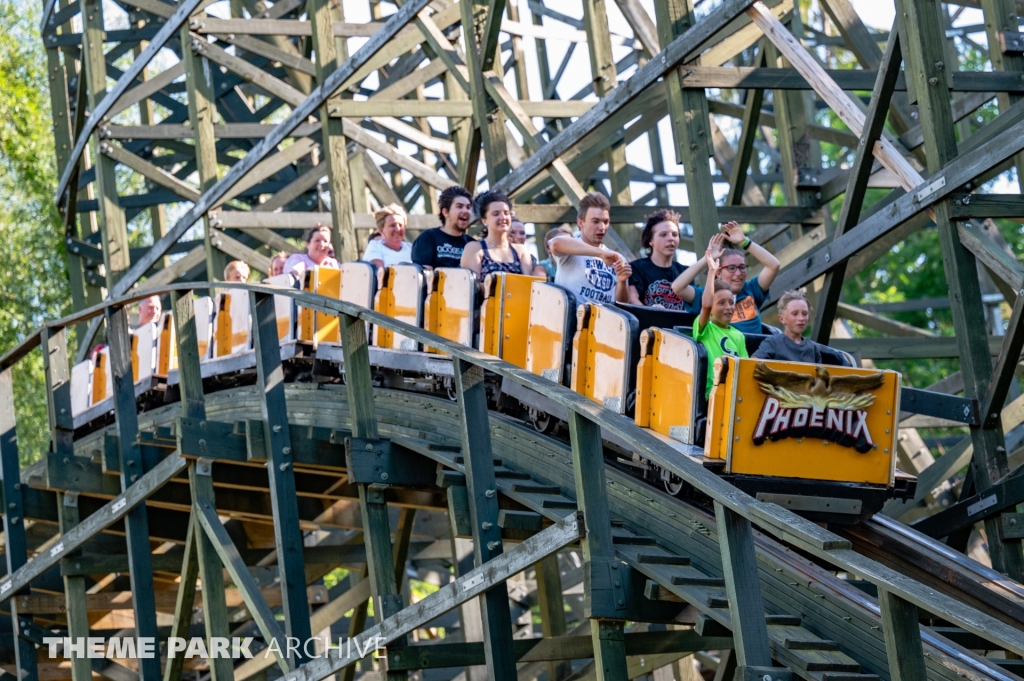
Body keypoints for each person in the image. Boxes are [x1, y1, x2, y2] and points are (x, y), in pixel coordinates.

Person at [671, 221, 780, 334]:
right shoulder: (707, 295)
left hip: (756, 350)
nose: (738, 273)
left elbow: (774, 265)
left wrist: (744, 242)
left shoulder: (751, 289)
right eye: (731, 268)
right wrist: (707, 259)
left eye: (742, 267)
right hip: (724, 350)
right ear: (718, 272)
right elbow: (678, 287)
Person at [548, 192, 631, 304]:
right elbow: (556, 243)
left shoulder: (618, 258)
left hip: (606, 319)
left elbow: (623, 305)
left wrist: (622, 281)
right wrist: (600, 253)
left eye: (606, 222)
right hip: (572, 319)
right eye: (595, 221)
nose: (602, 227)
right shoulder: (571, 248)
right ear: (580, 223)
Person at [693, 240, 749, 399]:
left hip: (734, 390)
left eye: (731, 302)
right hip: (713, 392)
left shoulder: (739, 335)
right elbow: (706, 306)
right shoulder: (705, 329)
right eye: (721, 303)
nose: (728, 307)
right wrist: (712, 271)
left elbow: (744, 367)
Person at [460, 191, 534, 278]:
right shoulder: (474, 249)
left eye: (506, 213)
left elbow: (529, 285)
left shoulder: (520, 250)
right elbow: (472, 286)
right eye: (496, 214)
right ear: (484, 220)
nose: (503, 217)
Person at [626, 209, 687, 309]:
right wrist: (652, 313)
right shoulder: (636, 268)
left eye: (675, 234)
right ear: (650, 240)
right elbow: (632, 299)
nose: (670, 238)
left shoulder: (685, 272)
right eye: (663, 234)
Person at [752, 290, 831, 363]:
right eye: (794, 314)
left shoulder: (814, 349)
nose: (801, 318)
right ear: (782, 319)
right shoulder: (773, 343)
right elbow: (752, 365)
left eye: (804, 314)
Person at [412, 186, 474, 271]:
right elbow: (423, 277)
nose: (465, 211)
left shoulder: (472, 244)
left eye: (468, 207)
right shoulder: (428, 238)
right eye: (459, 206)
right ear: (445, 212)